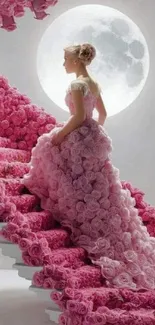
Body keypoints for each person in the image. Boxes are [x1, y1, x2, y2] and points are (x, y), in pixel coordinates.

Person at [23, 43, 155, 291]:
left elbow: (78, 117)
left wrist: (61, 136)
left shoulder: (76, 84)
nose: (63, 63)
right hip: (93, 137)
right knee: (96, 183)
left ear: (75, 61)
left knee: (48, 147)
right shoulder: (93, 83)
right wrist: (94, 135)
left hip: (78, 134)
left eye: (65, 59)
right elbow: (101, 114)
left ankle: (52, 202)